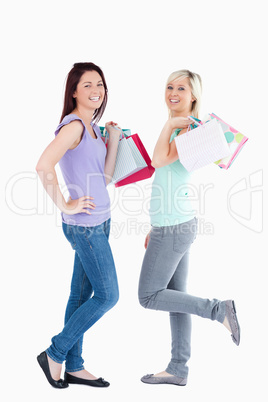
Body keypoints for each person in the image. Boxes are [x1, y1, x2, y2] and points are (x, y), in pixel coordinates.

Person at [138, 69, 240, 386]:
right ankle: (178, 368)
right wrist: (155, 226)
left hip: (174, 227)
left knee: (149, 296)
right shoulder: (182, 129)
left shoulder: (187, 131)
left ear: (193, 95)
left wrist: (170, 123)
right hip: (173, 224)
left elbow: (156, 161)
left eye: (181, 88)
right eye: (169, 87)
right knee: (174, 297)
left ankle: (217, 309)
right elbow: (166, 176)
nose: (173, 93)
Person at [36, 62, 121, 389]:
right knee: (108, 295)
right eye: (87, 85)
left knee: (81, 294)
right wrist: (65, 202)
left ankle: (74, 366)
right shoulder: (72, 126)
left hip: (102, 220)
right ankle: (55, 352)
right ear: (73, 91)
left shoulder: (94, 129)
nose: (96, 90)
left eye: (99, 84)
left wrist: (112, 138)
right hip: (83, 225)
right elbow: (43, 165)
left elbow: (106, 178)